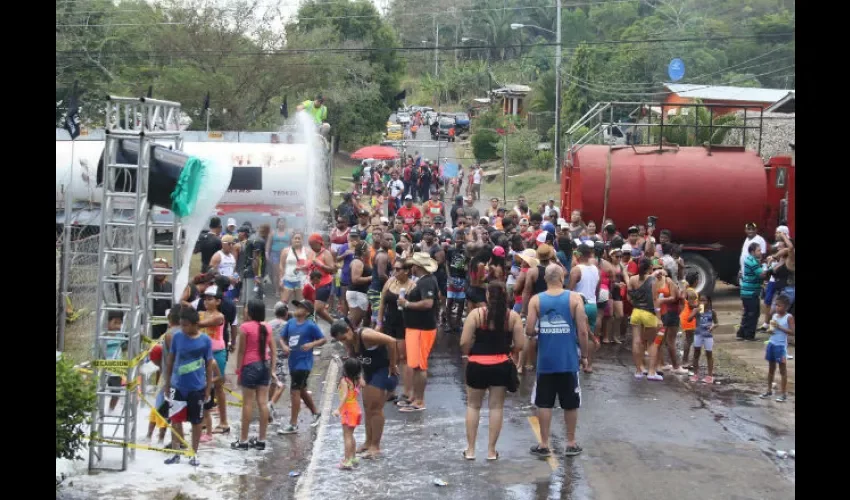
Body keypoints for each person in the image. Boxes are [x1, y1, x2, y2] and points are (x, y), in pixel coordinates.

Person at [526, 264, 589, 457]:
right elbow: (583, 331)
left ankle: (544, 444)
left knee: (544, 402)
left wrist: (540, 330)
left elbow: (529, 330)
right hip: (568, 359)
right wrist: (585, 356)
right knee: (570, 402)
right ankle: (570, 442)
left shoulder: (536, 300)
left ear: (545, 279)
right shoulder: (574, 298)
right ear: (562, 278)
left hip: (546, 361)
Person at [460, 281, 524, 461]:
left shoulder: (476, 315)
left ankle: (471, 450)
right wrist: (510, 351)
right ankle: (491, 451)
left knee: (473, 406)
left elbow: (464, 342)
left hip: (477, 364)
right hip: (501, 364)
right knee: (496, 407)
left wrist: (469, 354)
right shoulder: (512, 317)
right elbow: (520, 344)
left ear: (487, 295)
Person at [330, 319, 399, 459]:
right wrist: (354, 377)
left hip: (382, 370)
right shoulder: (349, 342)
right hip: (368, 372)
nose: (343, 342)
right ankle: (368, 442)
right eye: (340, 340)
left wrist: (392, 364)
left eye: (344, 338)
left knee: (375, 409)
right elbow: (353, 359)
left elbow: (392, 341)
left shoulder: (366, 335)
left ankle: (376, 446)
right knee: (368, 408)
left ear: (349, 330)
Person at [163, 307, 212, 466]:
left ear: (195, 324)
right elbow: (170, 360)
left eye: (186, 325)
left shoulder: (205, 341)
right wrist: (167, 383)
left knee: (196, 421)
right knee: (175, 419)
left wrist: (208, 387)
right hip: (178, 386)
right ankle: (176, 452)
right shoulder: (177, 337)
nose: (183, 328)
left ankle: (194, 453)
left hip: (196, 387)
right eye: (181, 325)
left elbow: (209, 364)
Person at [230, 299, 276, 450]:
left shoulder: (245, 327)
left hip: (249, 366)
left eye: (246, 308)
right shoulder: (267, 327)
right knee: (263, 403)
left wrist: (238, 370)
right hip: (265, 366)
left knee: (248, 403)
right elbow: (272, 350)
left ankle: (243, 440)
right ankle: (262, 439)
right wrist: (272, 369)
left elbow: (242, 351)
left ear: (250, 311)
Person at [396, 253, 440, 412]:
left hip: (422, 328)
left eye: (413, 265)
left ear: (418, 267)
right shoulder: (424, 281)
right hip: (415, 327)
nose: (411, 268)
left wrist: (407, 304)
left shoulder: (427, 281)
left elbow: (428, 303)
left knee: (420, 366)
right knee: (415, 365)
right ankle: (414, 397)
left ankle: (419, 401)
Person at [278, 300, 327, 434]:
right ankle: (316, 413)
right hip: (292, 362)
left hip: (304, 363)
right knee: (302, 390)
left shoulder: (310, 326)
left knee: (294, 392)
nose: (297, 308)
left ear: (307, 312)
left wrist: (311, 345)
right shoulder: (290, 323)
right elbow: (281, 337)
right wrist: (284, 346)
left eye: (301, 307)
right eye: (297, 306)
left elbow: (323, 339)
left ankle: (293, 424)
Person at [197, 285, 231, 435]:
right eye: (205, 298)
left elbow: (200, 324)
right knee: (202, 386)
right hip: (202, 353)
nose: (206, 301)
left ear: (218, 301)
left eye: (210, 299)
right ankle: (204, 420)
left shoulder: (219, 316)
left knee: (218, 386)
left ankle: (223, 422)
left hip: (217, 353)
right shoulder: (200, 314)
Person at [628, 259, 664, 381]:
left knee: (636, 341)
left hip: (636, 312)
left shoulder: (632, 279)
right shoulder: (654, 281)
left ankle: (638, 370)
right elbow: (655, 300)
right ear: (650, 268)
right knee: (653, 343)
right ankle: (651, 372)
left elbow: (630, 296)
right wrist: (659, 318)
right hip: (649, 313)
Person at [568, 243, 600, 374]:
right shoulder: (595, 269)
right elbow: (597, 289)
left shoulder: (576, 269)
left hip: (579, 305)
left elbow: (569, 290)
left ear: (578, 255)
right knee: (589, 333)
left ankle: (576, 362)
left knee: (577, 333)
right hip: (592, 304)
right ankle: (589, 365)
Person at [759, 295, 794, 402]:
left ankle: (783, 394)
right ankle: (769, 390)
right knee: (771, 369)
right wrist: (770, 330)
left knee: (782, 370)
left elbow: (792, 332)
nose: (777, 308)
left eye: (779, 306)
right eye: (776, 305)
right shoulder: (774, 316)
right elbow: (771, 329)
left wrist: (780, 327)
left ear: (786, 306)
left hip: (780, 347)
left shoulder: (789, 317)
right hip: (772, 344)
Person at [333, 358, 363, 470]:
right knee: (350, 435)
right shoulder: (356, 380)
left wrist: (338, 410)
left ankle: (347, 460)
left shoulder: (345, 381)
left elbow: (345, 396)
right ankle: (353, 457)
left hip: (348, 410)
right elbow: (363, 384)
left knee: (347, 436)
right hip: (355, 408)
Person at [737, 242, 767, 341]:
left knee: (747, 313)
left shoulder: (751, 260)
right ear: (752, 251)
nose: (760, 252)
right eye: (758, 250)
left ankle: (741, 333)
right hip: (750, 292)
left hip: (747, 292)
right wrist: (769, 266)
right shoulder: (752, 262)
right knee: (753, 313)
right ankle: (749, 335)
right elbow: (762, 274)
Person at [307, 233, 337, 325]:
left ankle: (313, 331)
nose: (311, 246)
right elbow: (308, 267)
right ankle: (335, 324)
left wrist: (320, 264)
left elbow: (332, 270)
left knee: (315, 310)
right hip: (313, 285)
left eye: (313, 244)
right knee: (318, 311)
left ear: (319, 243)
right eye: (310, 244)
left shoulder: (326, 253)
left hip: (324, 284)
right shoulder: (311, 253)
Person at [268, 302, 290, 423]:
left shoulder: (268, 324)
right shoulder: (288, 325)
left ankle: (269, 405)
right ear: (286, 313)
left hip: (269, 355)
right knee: (282, 384)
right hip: (281, 357)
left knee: (272, 382)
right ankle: (270, 404)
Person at [688, 295, 717, 384]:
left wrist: (713, 326)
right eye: (700, 300)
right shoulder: (696, 311)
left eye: (704, 301)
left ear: (708, 302)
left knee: (709, 354)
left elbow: (716, 323)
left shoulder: (712, 312)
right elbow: (689, 319)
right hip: (698, 334)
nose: (702, 303)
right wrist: (694, 312)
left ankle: (710, 375)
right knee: (696, 353)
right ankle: (695, 374)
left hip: (708, 335)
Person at [279, 231, 312, 303]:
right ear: (292, 240)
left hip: (301, 280)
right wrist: (281, 279)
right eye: (295, 238)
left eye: (299, 238)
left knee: (301, 303)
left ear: (302, 240)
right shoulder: (286, 251)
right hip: (288, 279)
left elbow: (310, 266)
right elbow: (281, 265)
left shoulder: (307, 251)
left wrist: (308, 280)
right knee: (283, 302)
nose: (297, 240)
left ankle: (299, 314)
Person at [347, 241, 373, 327]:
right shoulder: (357, 262)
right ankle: (344, 338)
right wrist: (371, 278)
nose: (370, 251)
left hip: (358, 293)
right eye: (369, 249)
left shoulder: (360, 262)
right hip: (357, 294)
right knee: (354, 323)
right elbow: (355, 279)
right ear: (364, 252)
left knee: (354, 321)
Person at [679, 273, 699, 368]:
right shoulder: (691, 292)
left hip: (687, 316)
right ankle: (685, 361)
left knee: (689, 339)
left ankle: (686, 360)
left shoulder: (688, 290)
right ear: (695, 281)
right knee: (689, 339)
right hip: (689, 318)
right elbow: (691, 305)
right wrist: (702, 306)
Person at [210, 234, 239, 300]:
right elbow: (212, 273)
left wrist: (236, 277)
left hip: (230, 287)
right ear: (223, 244)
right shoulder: (217, 256)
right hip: (220, 288)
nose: (231, 246)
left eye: (232, 244)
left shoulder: (232, 256)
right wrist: (226, 279)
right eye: (229, 244)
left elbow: (233, 270)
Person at [267, 218, 291, 296]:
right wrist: (267, 253)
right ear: (277, 224)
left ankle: (284, 289)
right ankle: (277, 290)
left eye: (283, 222)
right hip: (275, 254)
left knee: (285, 272)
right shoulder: (273, 233)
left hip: (286, 254)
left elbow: (291, 244)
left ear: (285, 224)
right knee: (276, 273)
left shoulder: (289, 233)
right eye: (280, 222)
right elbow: (268, 244)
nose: (282, 224)